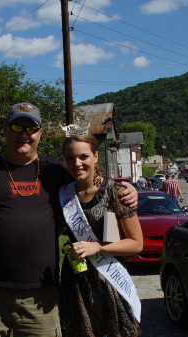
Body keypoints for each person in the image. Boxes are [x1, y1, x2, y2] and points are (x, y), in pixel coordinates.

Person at [0, 102, 138, 337]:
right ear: (5, 128)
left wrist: (127, 190)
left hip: (41, 293)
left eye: (31, 129)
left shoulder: (55, 170)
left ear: (40, 133)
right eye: (17, 127)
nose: (24, 135)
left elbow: (87, 174)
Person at [59, 134, 143, 337]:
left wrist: (99, 248)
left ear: (96, 156)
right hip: (75, 282)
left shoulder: (117, 193)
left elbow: (136, 244)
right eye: (70, 158)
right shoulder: (62, 194)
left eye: (83, 156)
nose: (77, 163)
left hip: (108, 280)